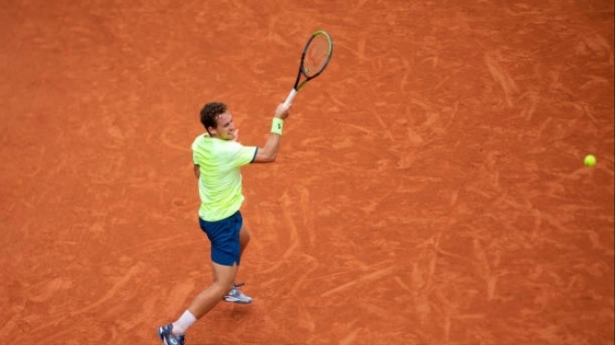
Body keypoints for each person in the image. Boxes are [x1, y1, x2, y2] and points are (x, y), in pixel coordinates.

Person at [158, 101, 290, 345]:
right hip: (222, 222)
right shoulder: (228, 151)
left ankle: (228, 285)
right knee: (220, 284)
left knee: (244, 237)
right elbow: (269, 154)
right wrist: (278, 119)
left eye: (231, 121)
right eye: (225, 125)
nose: (232, 127)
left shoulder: (200, 143)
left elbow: (197, 171)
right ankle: (174, 330)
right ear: (212, 129)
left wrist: (225, 150)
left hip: (219, 214)